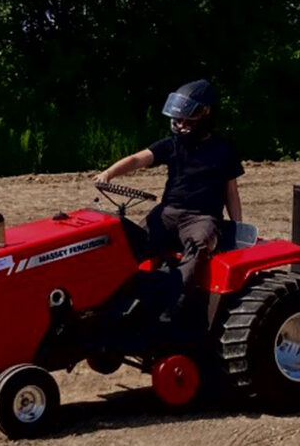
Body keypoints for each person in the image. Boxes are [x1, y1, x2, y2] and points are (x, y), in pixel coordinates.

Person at [93, 79, 244, 319]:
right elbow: (137, 159)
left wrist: (238, 228)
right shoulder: (172, 145)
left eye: (187, 120)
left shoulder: (223, 150)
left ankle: (173, 308)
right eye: (179, 120)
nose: (181, 125)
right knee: (131, 243)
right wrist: (109, 173)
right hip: (168, 211)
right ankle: (117, 300)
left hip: (202, 218)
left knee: (198, 249)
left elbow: (231, 193)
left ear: (205, 114)